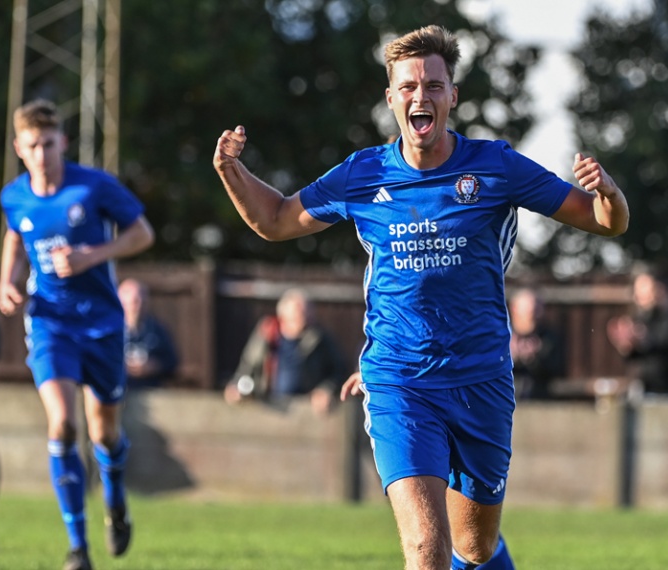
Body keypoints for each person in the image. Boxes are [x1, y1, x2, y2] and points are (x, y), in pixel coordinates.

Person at [213, 25, 629, 570]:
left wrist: (610, 195)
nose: (420, 95)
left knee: (473, 547)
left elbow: (603, 223)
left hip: (481, 378)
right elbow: (274, 220)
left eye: (434, 85)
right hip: (399, 381)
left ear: (452, 95)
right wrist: (231, 170)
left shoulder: (495, 167)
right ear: (391, 98)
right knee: (425, 550)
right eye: (408, 86)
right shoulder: (362, 175)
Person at [0, 99, 154, 570]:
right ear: (19, 149)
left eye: (49, 143)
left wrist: (92, 256)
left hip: (102, 324)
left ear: (62, 142)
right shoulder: (14, 196)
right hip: (50, 324)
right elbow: (14, 235)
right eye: (33, 146)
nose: (42, 153)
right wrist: (8, 279)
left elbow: (142, 233)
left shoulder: (94, 186)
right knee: (63, 424)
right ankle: (77, 548)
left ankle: (115, 497)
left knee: (104, 433)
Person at [224, 288, 345, 416]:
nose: (303, 316)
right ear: (283, 315)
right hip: (268, 406)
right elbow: (248, 365)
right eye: (298, 311)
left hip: (305, 410)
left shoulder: (320, 338)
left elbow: (339, 371)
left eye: (306, 311)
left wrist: (325, 390)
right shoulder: (266, 334)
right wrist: (236, 386)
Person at [606, 263, 668, 396]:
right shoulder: (641, 317)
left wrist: (644, 340)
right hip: (644, 391)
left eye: (643, 287)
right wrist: (627, 345)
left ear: (659, 287)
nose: (639, 295)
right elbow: (636, 358)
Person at [117, 278, 179, 389]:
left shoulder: (158, 330)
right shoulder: (110, 332)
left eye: (143, 301)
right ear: (121, 302)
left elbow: (172, 362)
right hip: (118, 394)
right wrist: (120, 366)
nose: (139, 306)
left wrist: (154, 367)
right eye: (135, 301)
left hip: (151, 392)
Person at [508, 287, 563, 400]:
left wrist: (535, 358)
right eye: (529, 312)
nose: (534, 316)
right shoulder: (500, 337)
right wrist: (510, 357)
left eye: (537, 310)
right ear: (514, 309)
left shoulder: (548, 338)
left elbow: (556, 370)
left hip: (539, 399)